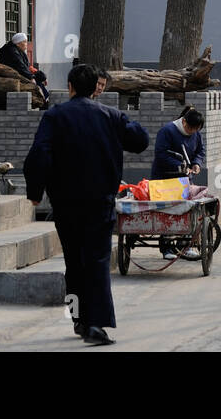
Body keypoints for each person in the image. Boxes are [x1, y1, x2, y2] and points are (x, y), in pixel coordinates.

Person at [23, 63, 149, 345]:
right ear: (96, 88)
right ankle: (95, 325)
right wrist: (124, 121)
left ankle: (78, 319)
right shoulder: (110, 116)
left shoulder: (55, 116)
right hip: (99, 203)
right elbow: (140, 140)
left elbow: (38, 155)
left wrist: (35, 191)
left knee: (73, 262)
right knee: (97, 261)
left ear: (70, 87)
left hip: (66, 204)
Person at [151, 106, 206, 258]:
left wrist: (196, 163)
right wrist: (179, 165)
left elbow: (200, 151)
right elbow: (160, 154)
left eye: (196, 129)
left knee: (187, 211)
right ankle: (167, 249)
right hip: (165, 178)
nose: (192, 132)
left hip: (184, 179)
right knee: (166, 212)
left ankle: (186, 246)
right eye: (190, 128)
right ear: (183, 121)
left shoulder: (196, 134)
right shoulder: (167, 131)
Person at [0, 32, 49, 101]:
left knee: (39, 80)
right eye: (24, 42)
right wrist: (31, 77)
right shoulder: (12, 52)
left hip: (19, 75)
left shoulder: (20, 52)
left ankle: (45, 100)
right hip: (11, 77)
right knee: (36, 83)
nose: (26, 44)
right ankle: (43, 101)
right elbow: (21, 67)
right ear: (18, 44)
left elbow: (28, 67)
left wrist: (42, 76)